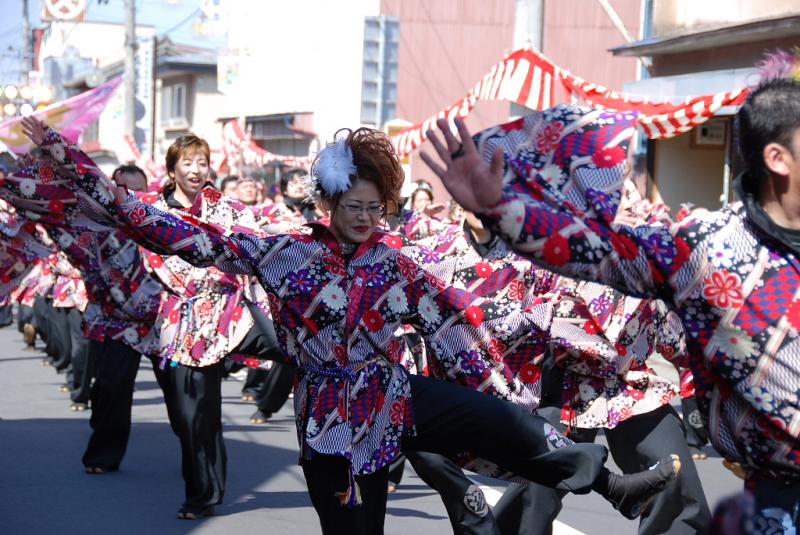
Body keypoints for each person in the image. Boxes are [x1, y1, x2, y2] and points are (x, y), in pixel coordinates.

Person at [24, 118, 682, 535]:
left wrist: (514, 351)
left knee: (505, 419)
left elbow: (462, 318)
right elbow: (168, 230)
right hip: (330, 421)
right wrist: (83, 175)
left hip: (396, 396)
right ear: (330, 203)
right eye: (355, 206)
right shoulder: (283, 251)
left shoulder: (396, 266)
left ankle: (611, 483)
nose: (368, 217)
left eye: (377, 206)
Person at [421, 52, 800, 531]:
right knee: (535, 496)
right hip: (554, 385)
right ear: (778, 157)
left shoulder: (651, 226)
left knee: (678, 491)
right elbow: (596, 254)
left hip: (626, 381)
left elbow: (671, 327)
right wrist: (502, 209)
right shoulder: (706, 250)